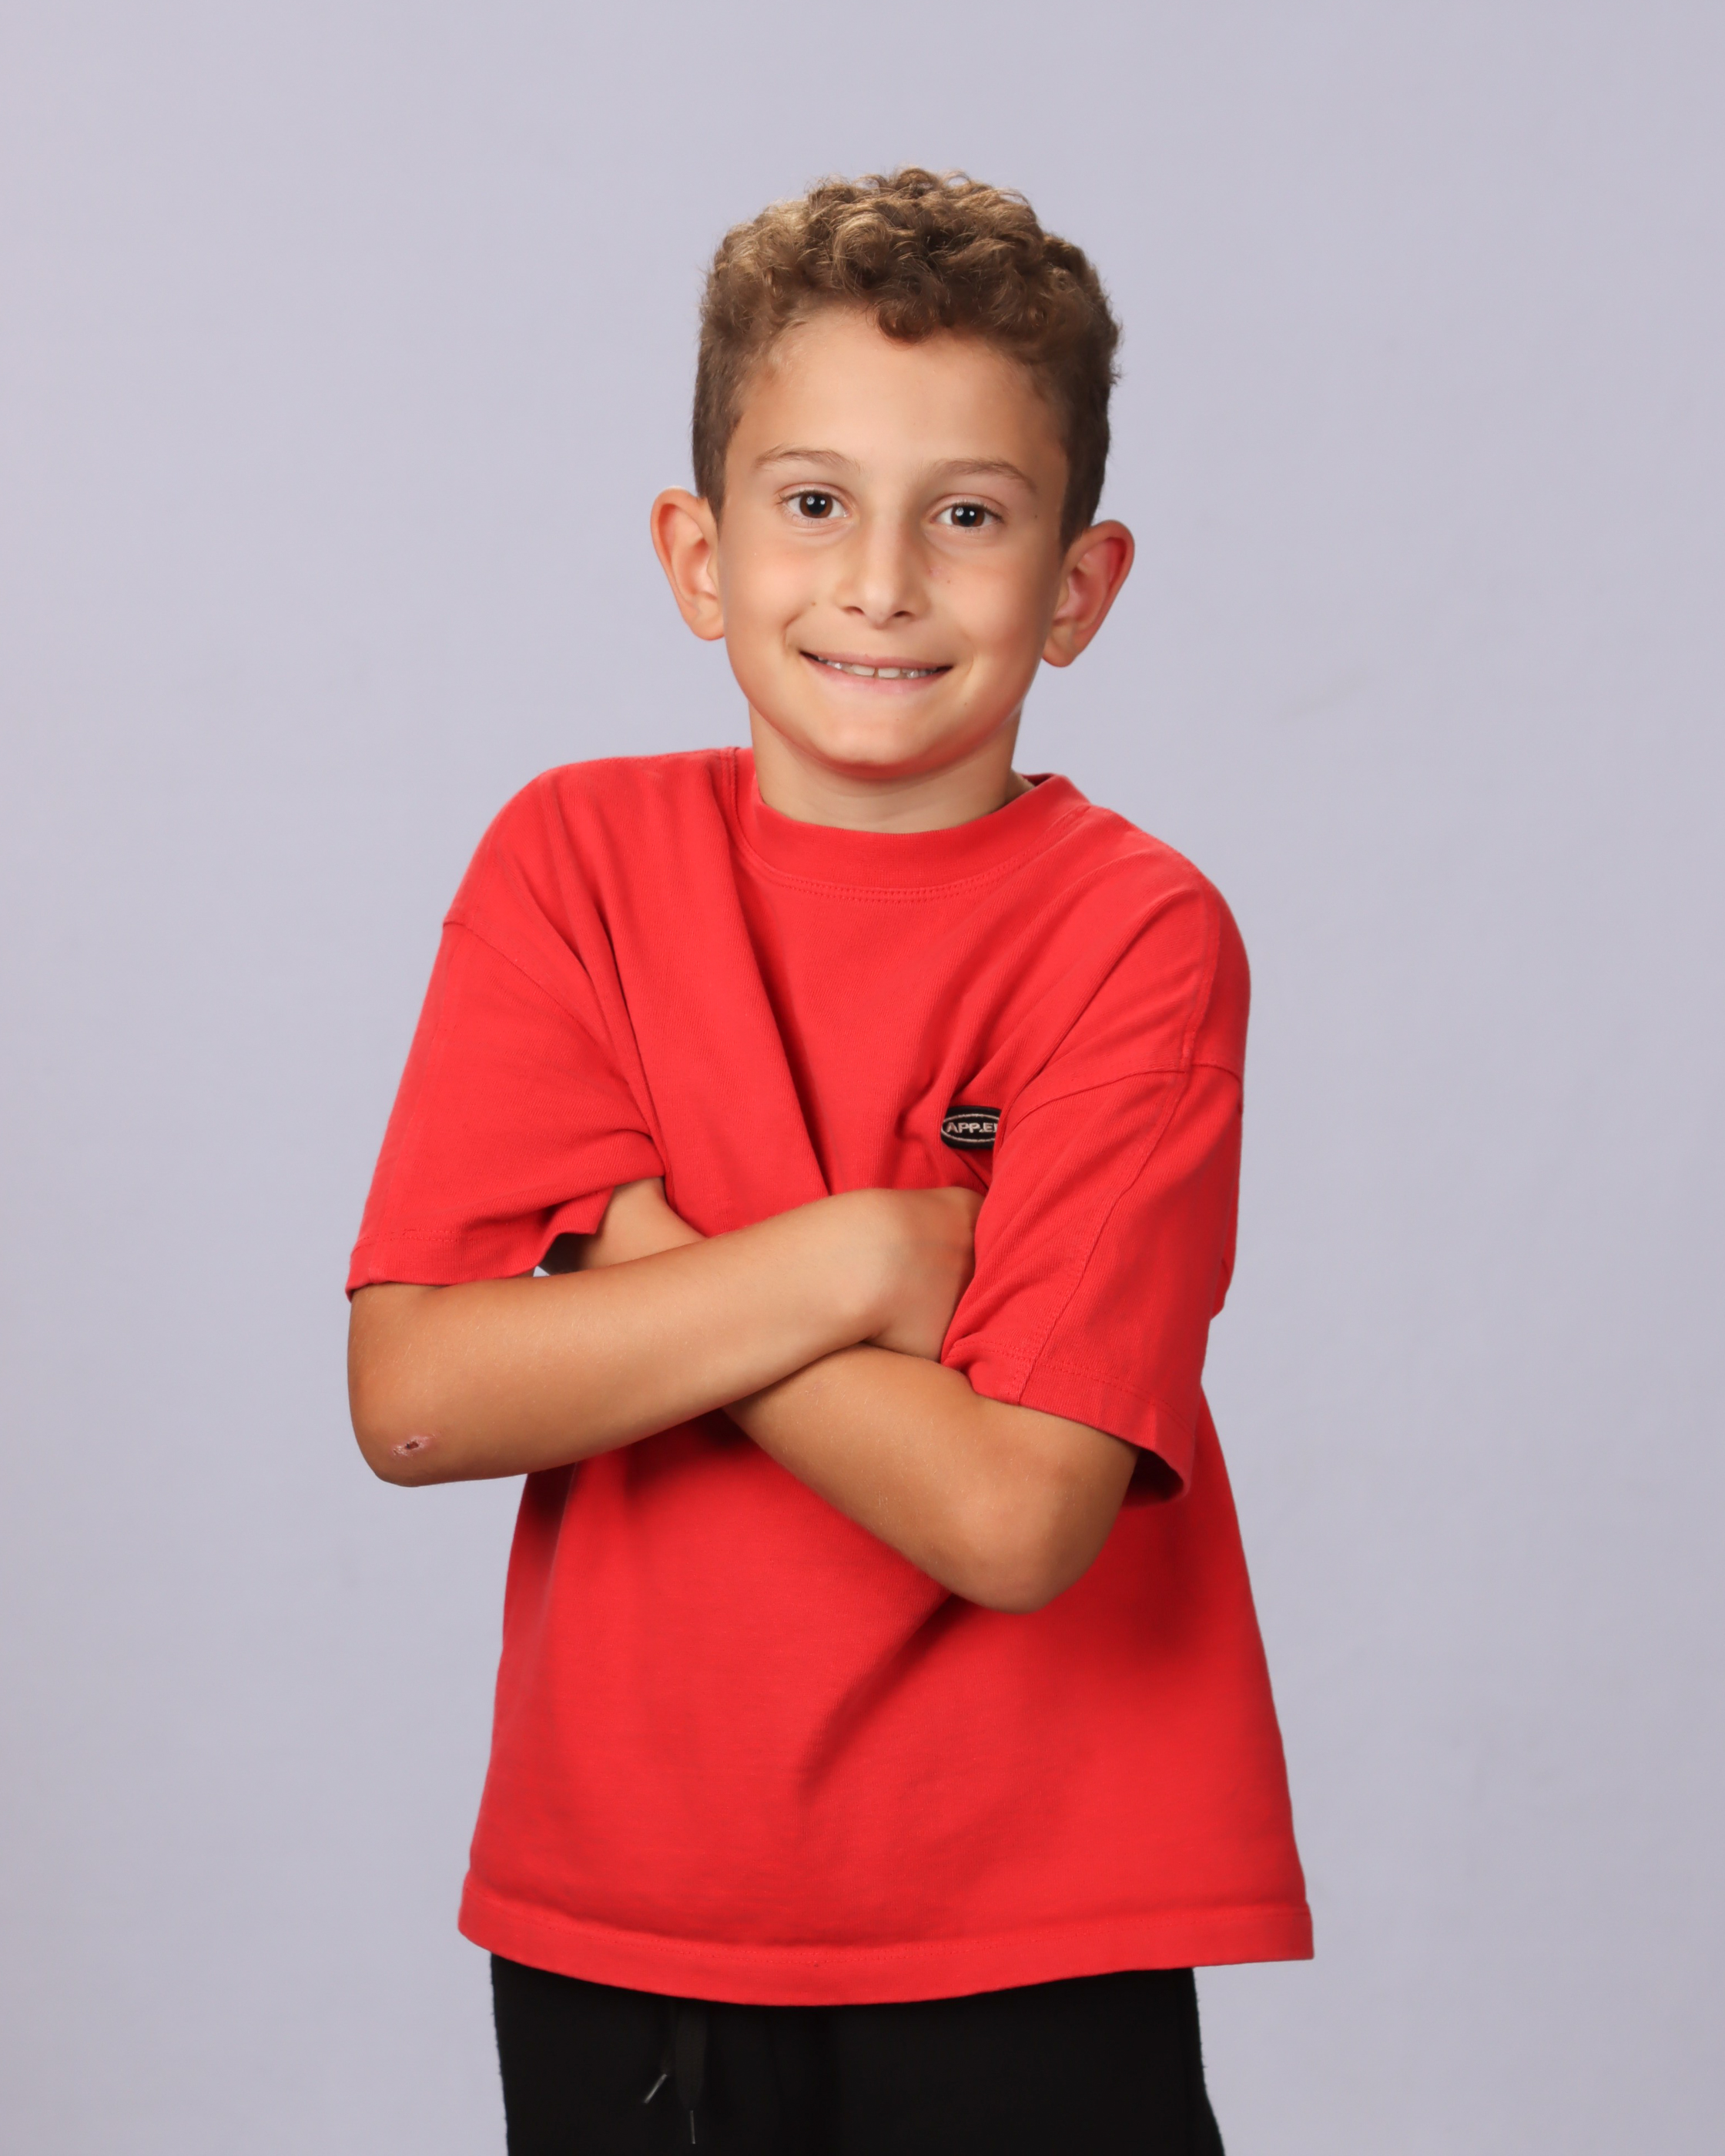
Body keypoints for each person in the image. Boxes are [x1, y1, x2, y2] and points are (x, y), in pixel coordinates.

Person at [347, 168, 1309, 2154]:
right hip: (627, 1917)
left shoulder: (1137, 937)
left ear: (1078, 586)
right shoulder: (572, 866)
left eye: (968, 515)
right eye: (812, 501)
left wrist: (642, 1265)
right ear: (698, 555)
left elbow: (1014, 1517)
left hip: (1036, 1922)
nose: (880, 581)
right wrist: (860, 1259)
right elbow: (419, 1399)